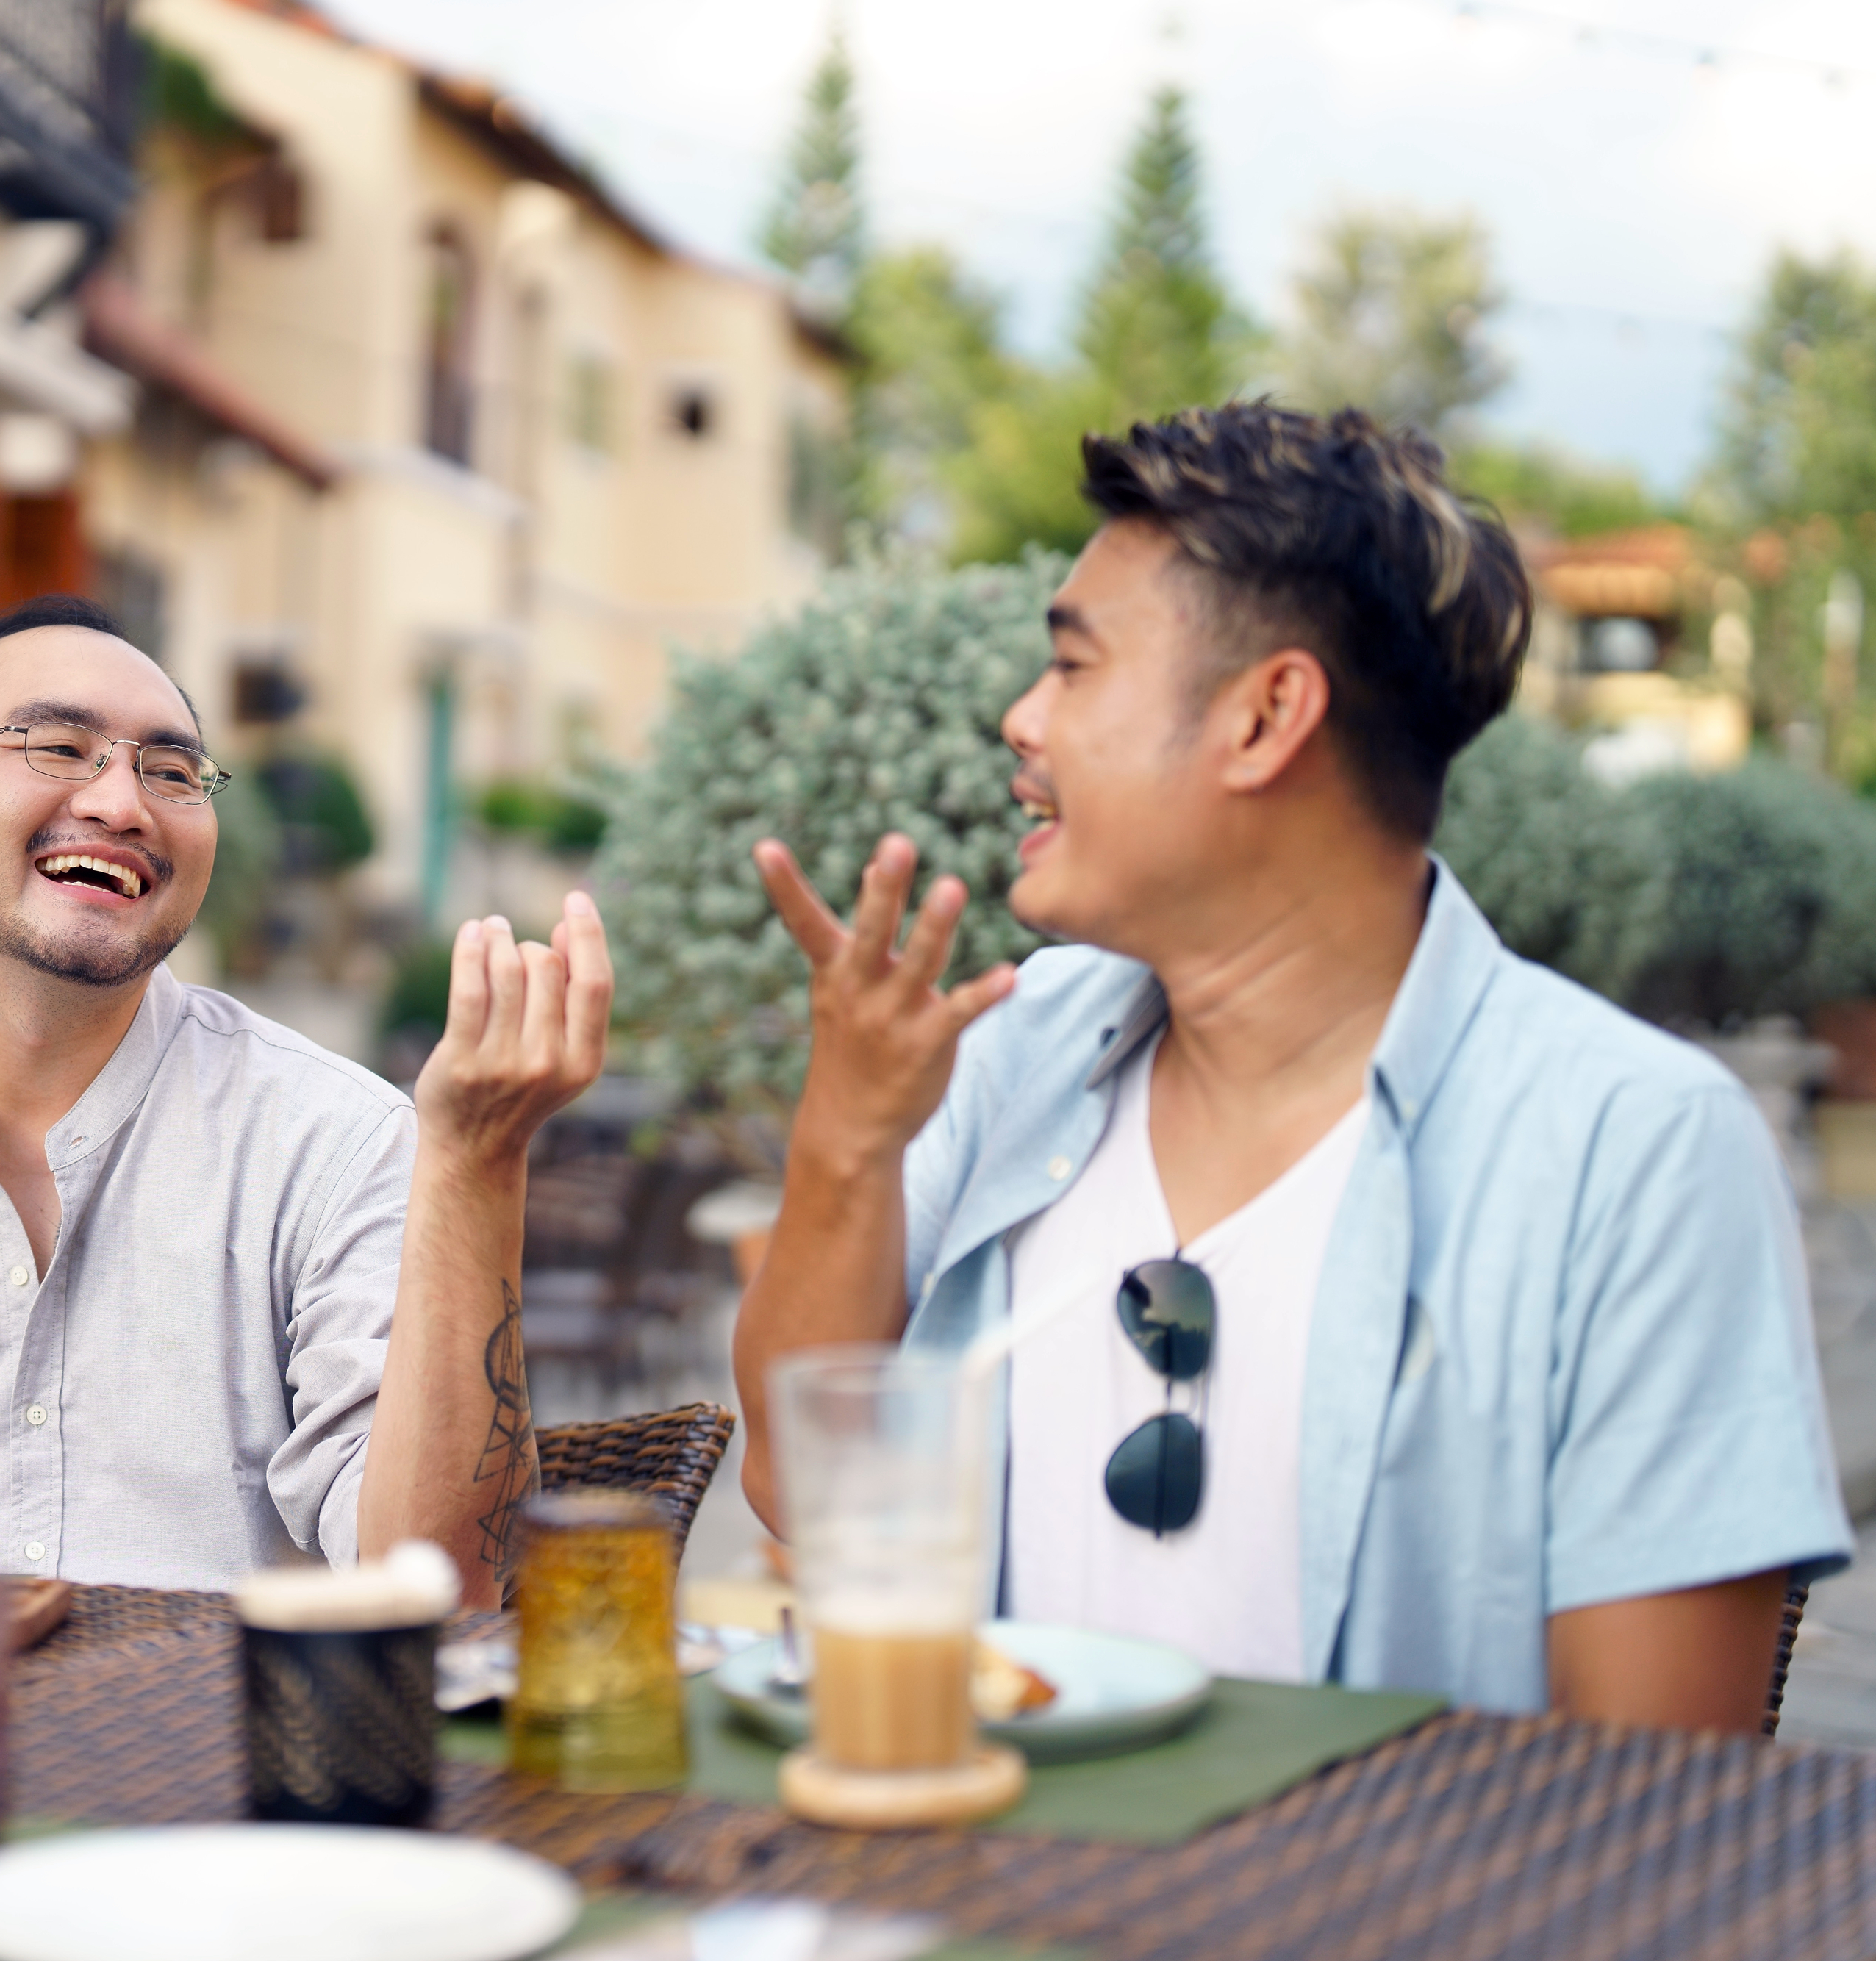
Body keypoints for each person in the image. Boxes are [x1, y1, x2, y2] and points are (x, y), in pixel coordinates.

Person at [732, 404, 1849, 1727]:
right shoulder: (1013, 1043)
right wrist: (848, 1136)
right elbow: (799, 1495)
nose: (1022, 719)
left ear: (1266, 718)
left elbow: (1649, 1783)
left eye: (1075, 666)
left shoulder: (1632, 1148)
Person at [0, 595, 609, 1605]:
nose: (123, 805)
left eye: (172, 772)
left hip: (236, 1713)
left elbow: (441, 1589)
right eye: (57, 747)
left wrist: (476, 1164)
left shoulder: (335, 1143)